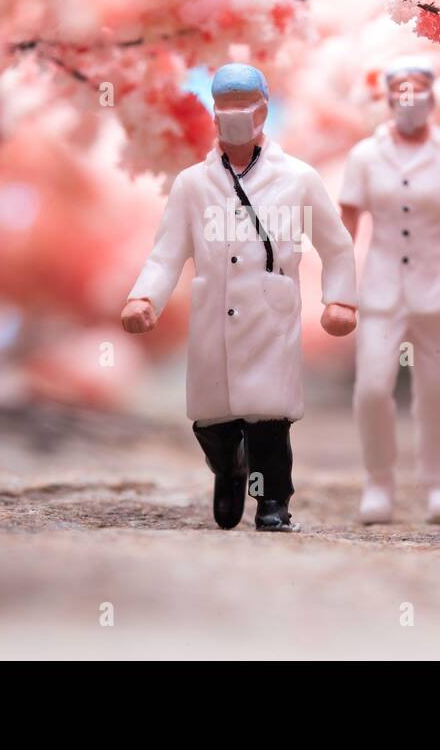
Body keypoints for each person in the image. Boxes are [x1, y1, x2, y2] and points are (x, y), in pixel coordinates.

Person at [121, 63, 357, 532]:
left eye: (242, 103)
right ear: (212, 113)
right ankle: (227, 469)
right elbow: (167, 253)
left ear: (263, 110)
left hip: (271, 314)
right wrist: (144, 297)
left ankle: (273, 504)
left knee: (269, 420)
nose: (232, 114)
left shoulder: (298, 178)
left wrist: (341, 300)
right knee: (213, 423)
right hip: (214, 316)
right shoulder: (192, 184)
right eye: (223, 104)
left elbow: (336, 245)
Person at [339, 57, 440, 525]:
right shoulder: (364, 157)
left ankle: (439, 484)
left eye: (417, 91)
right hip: (380, 289)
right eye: (400, 91)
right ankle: (378, 482)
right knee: (372, 388)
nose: (409, 100)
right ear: (388, 99)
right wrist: (334, 276)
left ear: (432, 98)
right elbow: (345, 226)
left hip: (432, 290)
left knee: (435, 391)